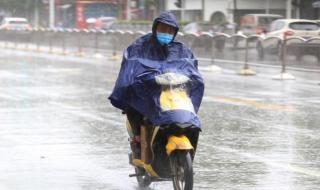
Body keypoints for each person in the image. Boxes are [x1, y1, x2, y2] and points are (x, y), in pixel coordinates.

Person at [109, 11, 200, 159]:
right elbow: (132, 65)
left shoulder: (181, 49)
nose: (167, 33)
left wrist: (191, 78)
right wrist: (144, 78)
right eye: (163, 29)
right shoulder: (140, 46)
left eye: (170, 30)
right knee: (134, 101)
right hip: (147, 89)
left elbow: (190, 67)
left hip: (170, 89)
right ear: (155, 28)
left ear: (175, 32)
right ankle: (138, 138)